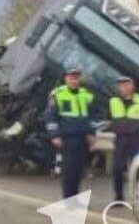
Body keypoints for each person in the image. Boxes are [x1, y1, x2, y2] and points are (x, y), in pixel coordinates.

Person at [45, 67, 97, 198]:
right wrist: (54, 135)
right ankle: (68, 198)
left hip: (82, 138)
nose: (74, 79)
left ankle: (74, 196)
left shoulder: (86, 95)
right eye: (71, 77)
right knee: (69, 170)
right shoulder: (57, 94)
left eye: (76, 77)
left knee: (79, 170)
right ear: (66, 78)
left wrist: (92, 133)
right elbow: (50, 116)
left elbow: (91, 116)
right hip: (67, 138)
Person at [108, 76, 139, 202]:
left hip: (136, 140)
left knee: (137, 169)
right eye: (120, 85)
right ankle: (118, 197)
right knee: (117, 168)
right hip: (120, 139)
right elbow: (108, 118)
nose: (123, 87)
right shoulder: (113, 101)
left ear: (132, 86)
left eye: (126, 84)